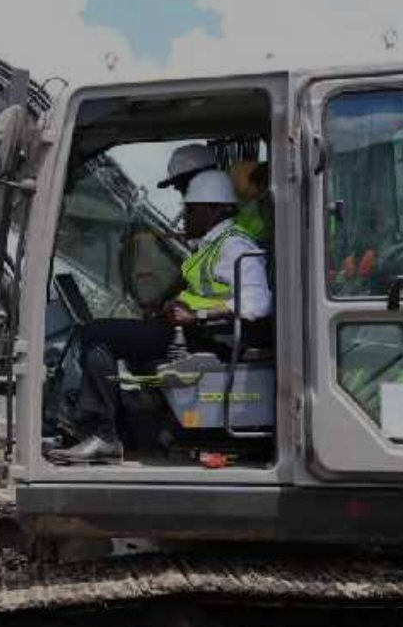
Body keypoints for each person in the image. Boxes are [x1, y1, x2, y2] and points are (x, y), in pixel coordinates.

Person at [49, 169, 273, 465]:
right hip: (190, 330)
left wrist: (199, 314)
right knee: (98, 336)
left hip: (207, 337)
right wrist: (169, 305)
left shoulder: (235, 246)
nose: (185, 216)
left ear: (214, 210)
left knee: (97, 334)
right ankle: (112, 432)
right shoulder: (212, 245)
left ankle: (103, 435)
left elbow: (259, 302)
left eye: (190, 209)